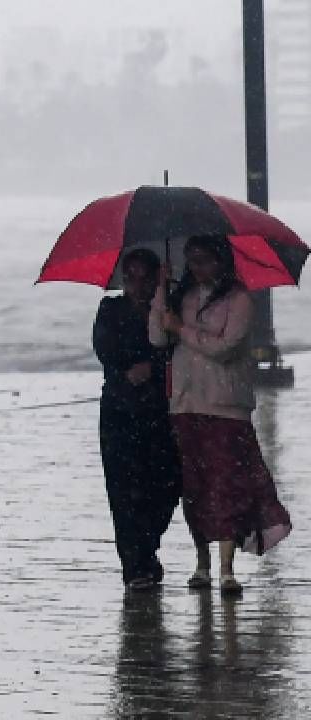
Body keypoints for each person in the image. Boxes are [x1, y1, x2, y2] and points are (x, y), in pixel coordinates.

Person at [150, 234, 292, 596]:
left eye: (204, 260)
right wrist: (160, 294)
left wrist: (181, 328)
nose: (197, 268)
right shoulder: (181, 298)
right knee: (195, 488)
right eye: (191, 260)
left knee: (226, 485)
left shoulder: (239, 299)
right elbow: (156, 339)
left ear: (221, 261)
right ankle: (202, 563)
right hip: (185, 403)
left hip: (226, 406)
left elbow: (225, 348)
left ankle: (227, 568)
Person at [92, 249, 181, 591]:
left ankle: (147, 548)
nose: (137, 285)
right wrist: (128, 371)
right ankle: (135, 566)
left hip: (161, 411)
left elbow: (178, 351)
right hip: (120, 410)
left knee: (167, 484)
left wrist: (154, 367)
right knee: (123, 490)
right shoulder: (110, 308)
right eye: (131, 277)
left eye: (146, 277)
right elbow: (104, 349)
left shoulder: (169, 308)